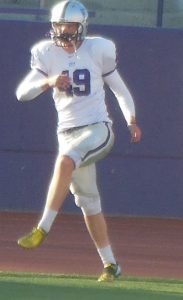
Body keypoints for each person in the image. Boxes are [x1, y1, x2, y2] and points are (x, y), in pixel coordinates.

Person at [16, 0, 141, 282]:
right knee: (88, 202)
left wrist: (130, 120)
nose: (64, 32)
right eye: (59, 26)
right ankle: (111, 265)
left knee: (65, 160)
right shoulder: (46, 53)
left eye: (69, 26)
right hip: (67, 133)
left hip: (98, 129)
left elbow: (120, 90)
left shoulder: (98, 49)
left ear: (82, 27)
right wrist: (48, 81)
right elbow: (22, 93)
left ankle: (43, 228)